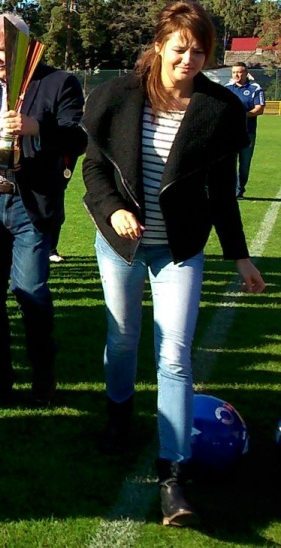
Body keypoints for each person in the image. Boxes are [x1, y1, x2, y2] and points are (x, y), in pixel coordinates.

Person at [81, 1, 266, 528]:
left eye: (199, 51)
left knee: (176, 355)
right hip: (119, 244)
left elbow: (221, 194)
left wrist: (240, 257)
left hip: (180, 249)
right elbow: (94, 171)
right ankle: (119, 416)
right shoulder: (116, 96)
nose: (189, 59)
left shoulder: (220, 109)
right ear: (160, 45)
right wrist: (113, 210)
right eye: (180, 48)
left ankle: (173, 475)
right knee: (122, 338)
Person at [0, 13, 86, 408]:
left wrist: (35, 128)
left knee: (31, 294)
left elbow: (77, 137)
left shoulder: (60, 83)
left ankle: (44, 382)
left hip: (31, 208)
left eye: (1, 50)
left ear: (24, 46)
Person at [225, 62, 265, 199]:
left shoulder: (255, 88)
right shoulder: (227, 88)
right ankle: (230, 190)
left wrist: (242, 115)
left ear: (246, 73)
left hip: (248, 132)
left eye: (239, 72)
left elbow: (259, 109)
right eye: (234, 72)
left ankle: (240, 189)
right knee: (228, 162)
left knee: (244, 164)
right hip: (229, 133)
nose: (236, 75)